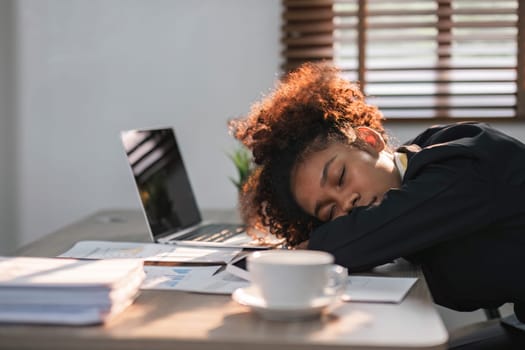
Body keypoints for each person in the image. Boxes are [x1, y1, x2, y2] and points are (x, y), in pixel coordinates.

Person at [229, 62, 525, 349]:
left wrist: (287, 259)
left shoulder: (461, 163)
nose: (347, 203)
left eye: (340, 176)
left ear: (369, 140)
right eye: (330, 211)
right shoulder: (412, 177)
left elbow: (360, 237)